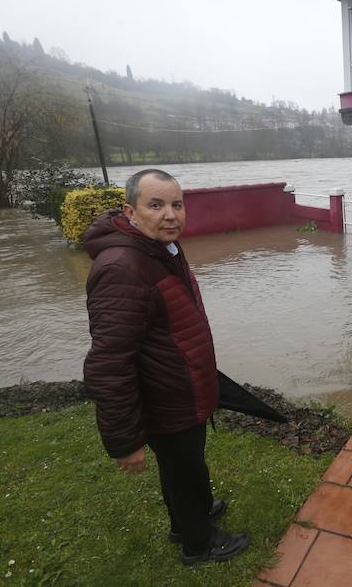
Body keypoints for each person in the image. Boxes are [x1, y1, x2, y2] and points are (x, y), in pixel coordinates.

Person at [82, 169, 249, 566]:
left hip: (181, 390)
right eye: (155, 205)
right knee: (184, 470)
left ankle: (189, 520)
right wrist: (124, 441)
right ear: (131, 211)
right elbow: (109, 363)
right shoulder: (123, 268)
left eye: (176, 204)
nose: (170, 215)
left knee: (183, 467)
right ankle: (199, 544)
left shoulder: (160, 249)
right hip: (166, 400)